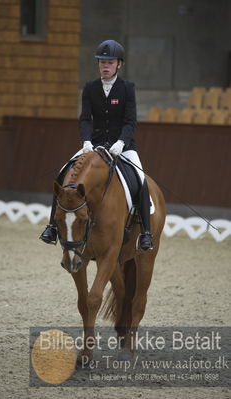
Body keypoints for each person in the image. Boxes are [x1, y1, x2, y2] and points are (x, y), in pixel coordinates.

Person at [40, 39, 153, 251]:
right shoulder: (90, 88)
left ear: (119, 64)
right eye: (102, 62)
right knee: (63, 173)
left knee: (140, 179)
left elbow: (130, 121)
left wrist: (121, 142)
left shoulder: (127, 88)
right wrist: (86, 141)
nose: (105, 66)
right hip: (93, 146)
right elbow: (85, 119)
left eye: (110, 62)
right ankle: (52, 227)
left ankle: (146, 232)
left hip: (123, 147)